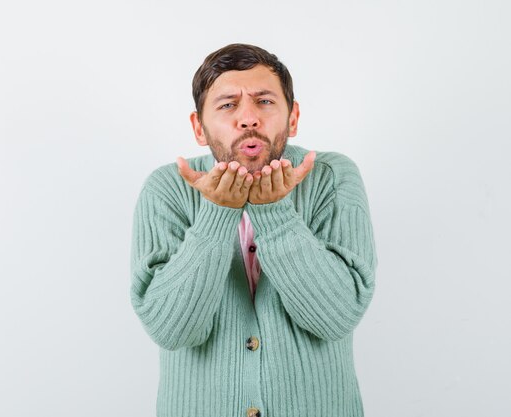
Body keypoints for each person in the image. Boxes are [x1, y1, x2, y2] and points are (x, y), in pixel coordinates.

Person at [130, 43, 378, 417]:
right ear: (199, 127)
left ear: (292, 118)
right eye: (228, 104)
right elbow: (172, 330)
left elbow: (337, 317)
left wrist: (273, 212)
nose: (248, 118)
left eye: (264, 101)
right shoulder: (167, 188)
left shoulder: (332, 177)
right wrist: (217, 211)